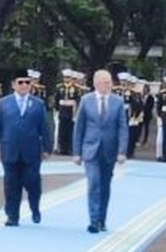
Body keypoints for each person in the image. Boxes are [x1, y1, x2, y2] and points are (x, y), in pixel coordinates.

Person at [0, 69, 52, 226]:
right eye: (20, 82)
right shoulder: (4, 103)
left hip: (32, 151)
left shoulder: (38, 104)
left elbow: (45, 127)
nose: (24, 85)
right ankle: (12, 215)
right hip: (10, 150)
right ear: (13, 85)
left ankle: (35, 207)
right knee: (11, 185)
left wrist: (47, 148)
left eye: (27, 82)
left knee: (32, 182)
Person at [72, 70, 127, 234]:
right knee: (94, 183)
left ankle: (102, 219)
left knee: (104, 186)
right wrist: (76, 152)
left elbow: (122, 128)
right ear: (95, 84)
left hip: (109, 150)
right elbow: (79, 127)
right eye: (104, 82)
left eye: (109, 82)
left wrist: (122, 151)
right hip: (90, 149)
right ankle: (94, 220)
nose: (107, 85)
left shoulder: (118, 101)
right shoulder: (86, 100)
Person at [52, 70, 85, 156]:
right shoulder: (59, 87)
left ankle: (70, 148)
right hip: (62, 109)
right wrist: (56, 109)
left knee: (70, 130)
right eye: (65, 77)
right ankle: (62, 148)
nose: (66, 79)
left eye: (68, 78)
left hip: (71, 110)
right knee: (62, 130)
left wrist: (76, 111)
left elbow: (77, 99)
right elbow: (57, 99)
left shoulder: (76, 88)